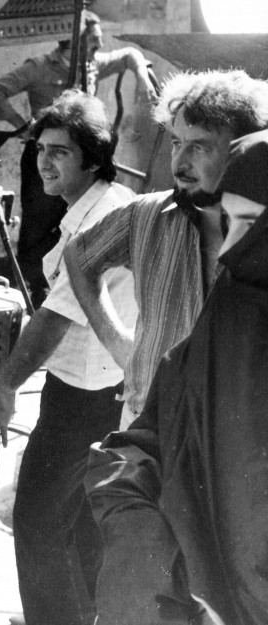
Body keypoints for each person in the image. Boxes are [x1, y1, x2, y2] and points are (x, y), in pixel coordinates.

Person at [83, 129, 268, 625]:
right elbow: (143, 444)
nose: (228, 250)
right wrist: (144, 549)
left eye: (253, 225)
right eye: (228, 221)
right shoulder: (229, 308)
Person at [0, 91, 137, 625]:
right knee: (81, 523)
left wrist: (4, 387)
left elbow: (53, 319)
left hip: (83, 396)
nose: (44, 161)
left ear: (92, 159)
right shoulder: (105, 202)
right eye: (41, 149)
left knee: (37, 522)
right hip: (107, 387)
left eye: (60, 152)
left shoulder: (96, 220)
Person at [64, 69, 268, 428]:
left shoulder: (260, 232)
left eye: (200, 146)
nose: (179, 163)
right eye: (176, 143)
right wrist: (118, 343)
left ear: (243, 150)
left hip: (232, 436)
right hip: (146, 424)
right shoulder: (145, 214)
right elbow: (79, 256)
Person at [0, 10, 155, 308]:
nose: (99, 47)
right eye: (93, 41)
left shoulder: (92, 62)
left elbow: (130, 54)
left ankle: (68, 295)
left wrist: (141, 75)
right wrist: (24, 127)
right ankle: (34, 300)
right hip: (47, 159)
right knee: (38, 229)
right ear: (73, 41)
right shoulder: (39, 67)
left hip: (80, 160)